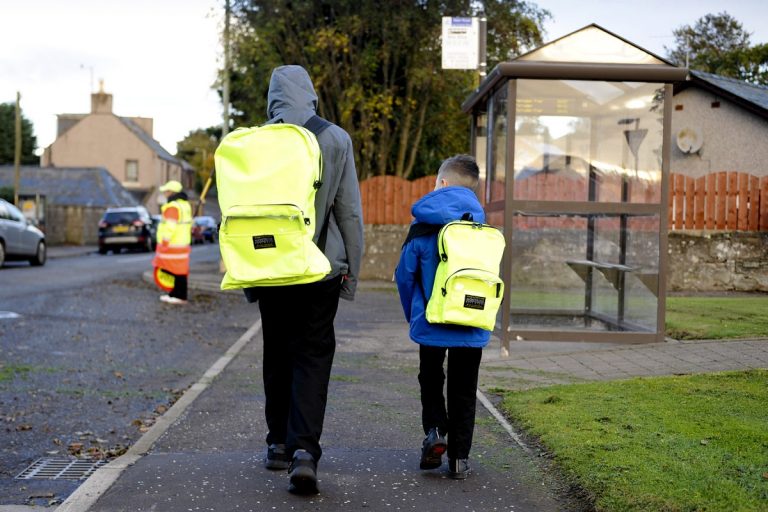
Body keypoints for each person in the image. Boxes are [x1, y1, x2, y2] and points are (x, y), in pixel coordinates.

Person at [244, 65, 363, 495]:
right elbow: (348, 212)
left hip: (271, 267)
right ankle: (304, 453)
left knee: (277, 353)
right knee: (312, 355)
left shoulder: (254, 142)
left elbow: (241, 213)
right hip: (320, 268)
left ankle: (277, 444)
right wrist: (352, 273)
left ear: (272, 98)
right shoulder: (335, 138)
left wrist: (249, 277)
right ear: (311, 94)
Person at [395, 155, 490, 480]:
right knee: (465, 387)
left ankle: (435, 431)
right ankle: (459, 459)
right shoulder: (482, 228)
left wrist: (414, 315)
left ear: (443, 183)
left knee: (431, 377)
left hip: (432, 320)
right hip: (471, 320)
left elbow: (405, 276)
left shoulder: (422, 228)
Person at [153, 180, 192, 305]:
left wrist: (165, 241)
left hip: (172, 244)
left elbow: (170, 226)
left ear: (171, 192)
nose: (165, 193)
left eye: (166, 191)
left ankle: (179, 296)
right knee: (178, 271)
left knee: (176, 271)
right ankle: (174, 294)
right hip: (182, 243)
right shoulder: (184, 205)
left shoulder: (173, 206)